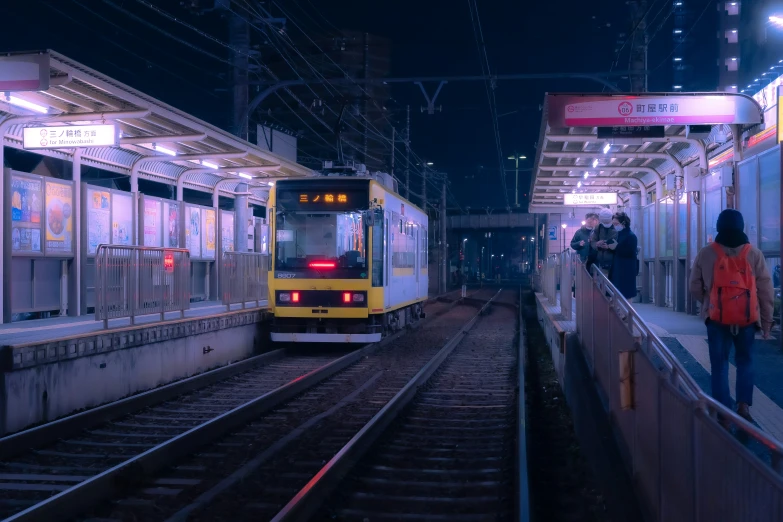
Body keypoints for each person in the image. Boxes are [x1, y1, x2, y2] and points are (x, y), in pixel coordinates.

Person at [688, 209, 774, 424]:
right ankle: (743, 405)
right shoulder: (754, 254)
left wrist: (708, 304)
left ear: (718, 227)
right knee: (745, 361)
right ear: (741, 226)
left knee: (719, 364)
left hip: (716, 319)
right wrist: (767, 321)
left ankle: (723, 412)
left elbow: (694, 286)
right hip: (747, 319)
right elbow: (765, 290)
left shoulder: (707, 253)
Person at [607, 212, 638, 299]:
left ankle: (627, 312)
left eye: (616, 224)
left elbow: (630, 252)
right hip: (618, 267)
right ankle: (620, 312)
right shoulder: (619, 234)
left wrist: (616, 247)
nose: (614, 226)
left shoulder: (631, 236)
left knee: (626, 295)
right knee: (618, 292)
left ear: (623, 223)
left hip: (627, 269)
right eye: (613, 224)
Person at [588, 208, 617, 275]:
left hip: (614, 261)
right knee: (603, 282)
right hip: (601, 262)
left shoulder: (616, 227)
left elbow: (620, 244)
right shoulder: (598, 228)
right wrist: (597, 244)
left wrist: (609, 247)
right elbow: (593, 241)